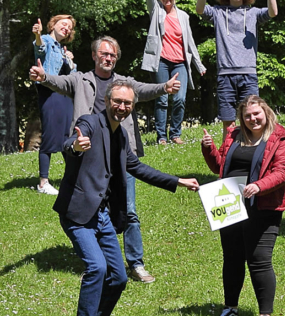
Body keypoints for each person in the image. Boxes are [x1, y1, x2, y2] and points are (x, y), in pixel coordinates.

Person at [55, 81, 199, 316]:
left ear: (132, 108)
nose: (122, 107)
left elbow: (137, 167)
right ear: (107, 101)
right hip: (78, 213)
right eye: (117, 101)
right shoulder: (89, 122)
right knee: (97, 268)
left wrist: (177, 181)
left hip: (102, 217)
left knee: (119, 277)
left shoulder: (120, 136)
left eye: (128, 104)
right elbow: (70, 143)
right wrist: (76, 146)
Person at [31, 36, 181, 285]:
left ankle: (136, 263)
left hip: (121, 155)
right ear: (94, 55)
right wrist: (44, 77)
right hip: (87, 155)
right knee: (89, 208)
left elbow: (142, 90)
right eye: (104, 54)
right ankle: (97, 261)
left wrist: (164, 87)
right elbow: (59, 82)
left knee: (129, 210)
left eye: (113, 55)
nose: (108, 58)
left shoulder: (123, 84)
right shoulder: (80, 80)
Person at [201, 96, 285, 316]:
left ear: (266, 112)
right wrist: (209, 148)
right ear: (241, 118)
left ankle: (265, 315)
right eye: (247, 115)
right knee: (232, 258)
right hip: (230, 203)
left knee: (259, 259)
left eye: (257, 114)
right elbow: (219, 166)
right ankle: (230, 308)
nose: (253, 119)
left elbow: (283, 171)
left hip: (263, 207)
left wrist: (259, 186)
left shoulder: (280, 138)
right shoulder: (234, 136)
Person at [135, 0, 206, 145]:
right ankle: (161, 137)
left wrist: (199, 65)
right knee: (162, 99)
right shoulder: (156, 11)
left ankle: (175, 134)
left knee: (180, 99)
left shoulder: (183, 16)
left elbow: (190, 42)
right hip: (161, 62)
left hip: (180, 64)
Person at [196, 0, 279, 130]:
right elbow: (199, 9)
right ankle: (227, 155)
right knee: (228, 123)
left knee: (251, 120)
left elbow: (273, 12)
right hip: (225, 74)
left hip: (248, 75)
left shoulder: (253, 13)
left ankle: (249, 152)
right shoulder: (218, 12)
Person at [31, 15, 77, 194]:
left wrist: (70, 61)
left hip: (63, 94)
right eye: (63, 24)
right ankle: (43, 182)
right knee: (50, 134)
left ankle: (74, 177)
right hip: (49, 92)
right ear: (53, 25)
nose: (66, 28)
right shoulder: (47, 41)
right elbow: (39, 49)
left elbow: (73, 75)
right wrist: (37, 35)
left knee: (68, 134)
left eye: (69, 27)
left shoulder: (62, 49)